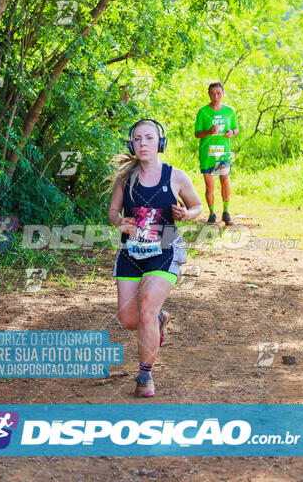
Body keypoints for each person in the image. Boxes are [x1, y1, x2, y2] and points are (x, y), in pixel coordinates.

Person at [106, 119, 202, 397]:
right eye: (137, 139)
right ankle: (158, 320)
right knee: (128, 319)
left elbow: (197, 206)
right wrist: (118, 222)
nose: (143, 143)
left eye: (149, 138)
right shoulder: (126, 178)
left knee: (145, 306)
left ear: (160, 143)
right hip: (131, 253)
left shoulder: (176, 176)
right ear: (131, 144)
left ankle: (144, 376)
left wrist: (187, 214)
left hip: (165, 251)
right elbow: (113, 212)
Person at [194, 82, 239, 225]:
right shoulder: (203, 112)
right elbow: (197, 134)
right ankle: (212, 214)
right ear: (208, 94)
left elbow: (235, 128)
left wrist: (232, 132)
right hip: (207, 154)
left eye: (219, 93)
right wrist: (209, 132)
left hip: (223, 153)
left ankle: (226, 212)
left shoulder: (229, 111)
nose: (216, 96)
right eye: (213, 93)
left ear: (223, 93)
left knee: (225, 180)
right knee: (210, 186)